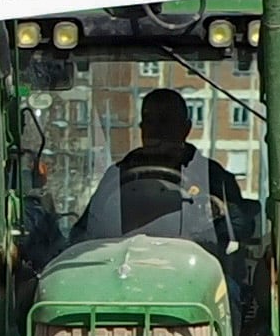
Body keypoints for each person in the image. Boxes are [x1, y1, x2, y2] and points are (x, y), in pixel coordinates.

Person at [75, 89, 242, 252]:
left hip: (193, 268)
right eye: (149, 121)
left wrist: (218, 210)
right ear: (141, 127)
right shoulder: (118, 174)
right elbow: (83, 232)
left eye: (165, 122)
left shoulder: (210, 175)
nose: (155, 130)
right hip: (124, 266)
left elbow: (241, 226)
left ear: (186, 128)